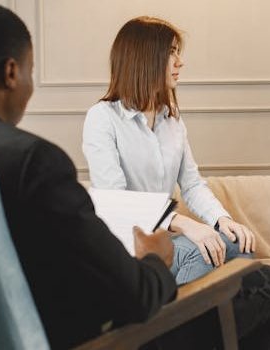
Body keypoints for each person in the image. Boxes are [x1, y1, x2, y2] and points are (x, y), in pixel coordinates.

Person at [0, 4, 270, 349]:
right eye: (30, 70)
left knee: (240, 265)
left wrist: (212, 224)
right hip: (89, 334)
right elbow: (131, 293)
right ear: (11, 73)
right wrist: (156, 259)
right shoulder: (32, 160)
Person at [83, 16, 256, 285]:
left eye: (178, 52)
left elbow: (192, 184)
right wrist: (184, 223)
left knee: (240, 247)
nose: (180, 62)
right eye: (171, 52)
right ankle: (173, 320)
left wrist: (221, 220)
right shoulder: (102, 117)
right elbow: (116, 197)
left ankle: (172, 315)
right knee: (201, 255)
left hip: (163, 242)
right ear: (145, 58)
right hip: (127, 248)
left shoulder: (172, 119)